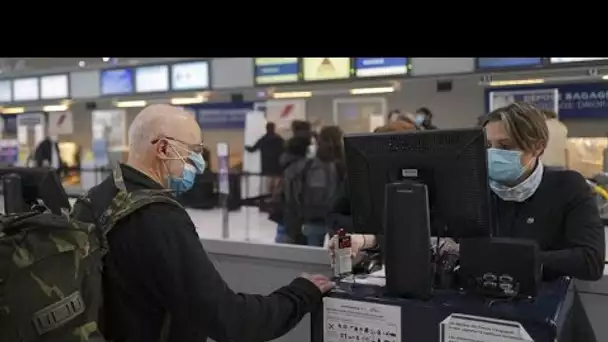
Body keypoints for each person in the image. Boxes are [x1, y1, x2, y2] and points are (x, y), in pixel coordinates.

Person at [72, 104, 334, 342]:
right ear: (163, 148)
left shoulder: (96, 198)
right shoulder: (158, 219)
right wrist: (300, 294)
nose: (198, 164)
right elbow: (231, 321)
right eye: (193, 151)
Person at [331, 102, 605, 281]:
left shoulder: (567, 186)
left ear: (538, 146)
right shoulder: (472, 189)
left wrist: (498, 257)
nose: (494, 154)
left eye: (506, 147)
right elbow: (431, 231)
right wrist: (367, 241)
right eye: (487, 146)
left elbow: (589, 261)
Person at [327, 120, 416, 234]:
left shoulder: (419, 177)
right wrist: (367, 231)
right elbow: (334, 216)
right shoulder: (359, 175)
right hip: (365, 246)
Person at [300, 125, 345, 246]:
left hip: (313, 216)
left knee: (311, 256)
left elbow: (302, 190)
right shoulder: (345, 163)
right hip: (340, 219)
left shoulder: (309, 164)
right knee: (343, 257)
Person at [245, 122, 285, 197]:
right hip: (277, 166)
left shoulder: (264, 139)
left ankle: (269, 199)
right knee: (277, 186)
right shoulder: (279, 139)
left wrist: (246, 147)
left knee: (268, 187)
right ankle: (276, 199)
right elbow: (285, 149)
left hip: (267, 167)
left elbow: (253, 149)